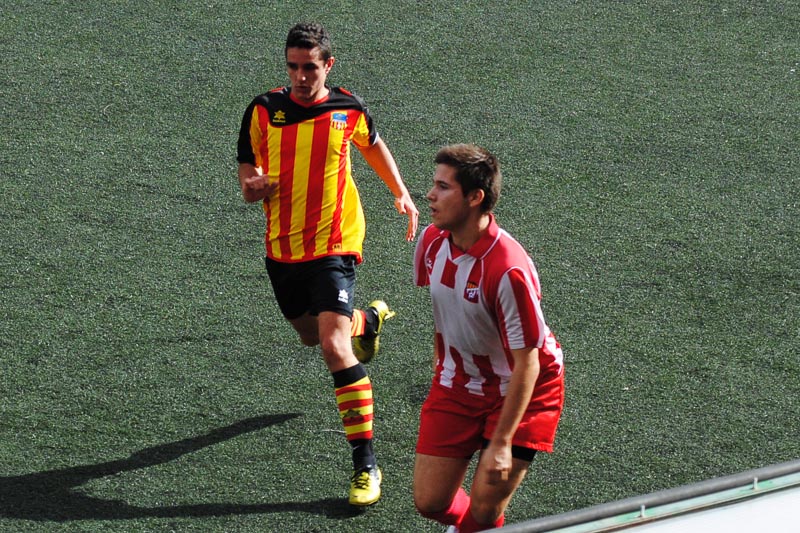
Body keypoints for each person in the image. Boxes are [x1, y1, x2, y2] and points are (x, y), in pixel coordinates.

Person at [236, 22, 419, 506]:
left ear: (328, 66)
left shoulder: (347, 108)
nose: (300, 76)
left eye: (310, 68)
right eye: (293, 67)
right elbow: (248, 176)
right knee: (310, 334)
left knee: (334, 348)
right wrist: (253, 187)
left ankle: (366, 466)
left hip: (335, 243)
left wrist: (400, 192)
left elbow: (372, 144)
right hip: (283, 249)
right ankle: (368, 320)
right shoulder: (264, 110)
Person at [412, 144, 565, 532]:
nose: (429, 195)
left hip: (524, 388)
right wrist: (443, 364)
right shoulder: (431, 241)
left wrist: (501, 442)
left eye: (443, 187)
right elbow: (448, 313)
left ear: (474, 197)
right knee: (429, 501)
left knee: (484, 507)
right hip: (460, 382)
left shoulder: (508, 269)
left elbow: (529, 362)